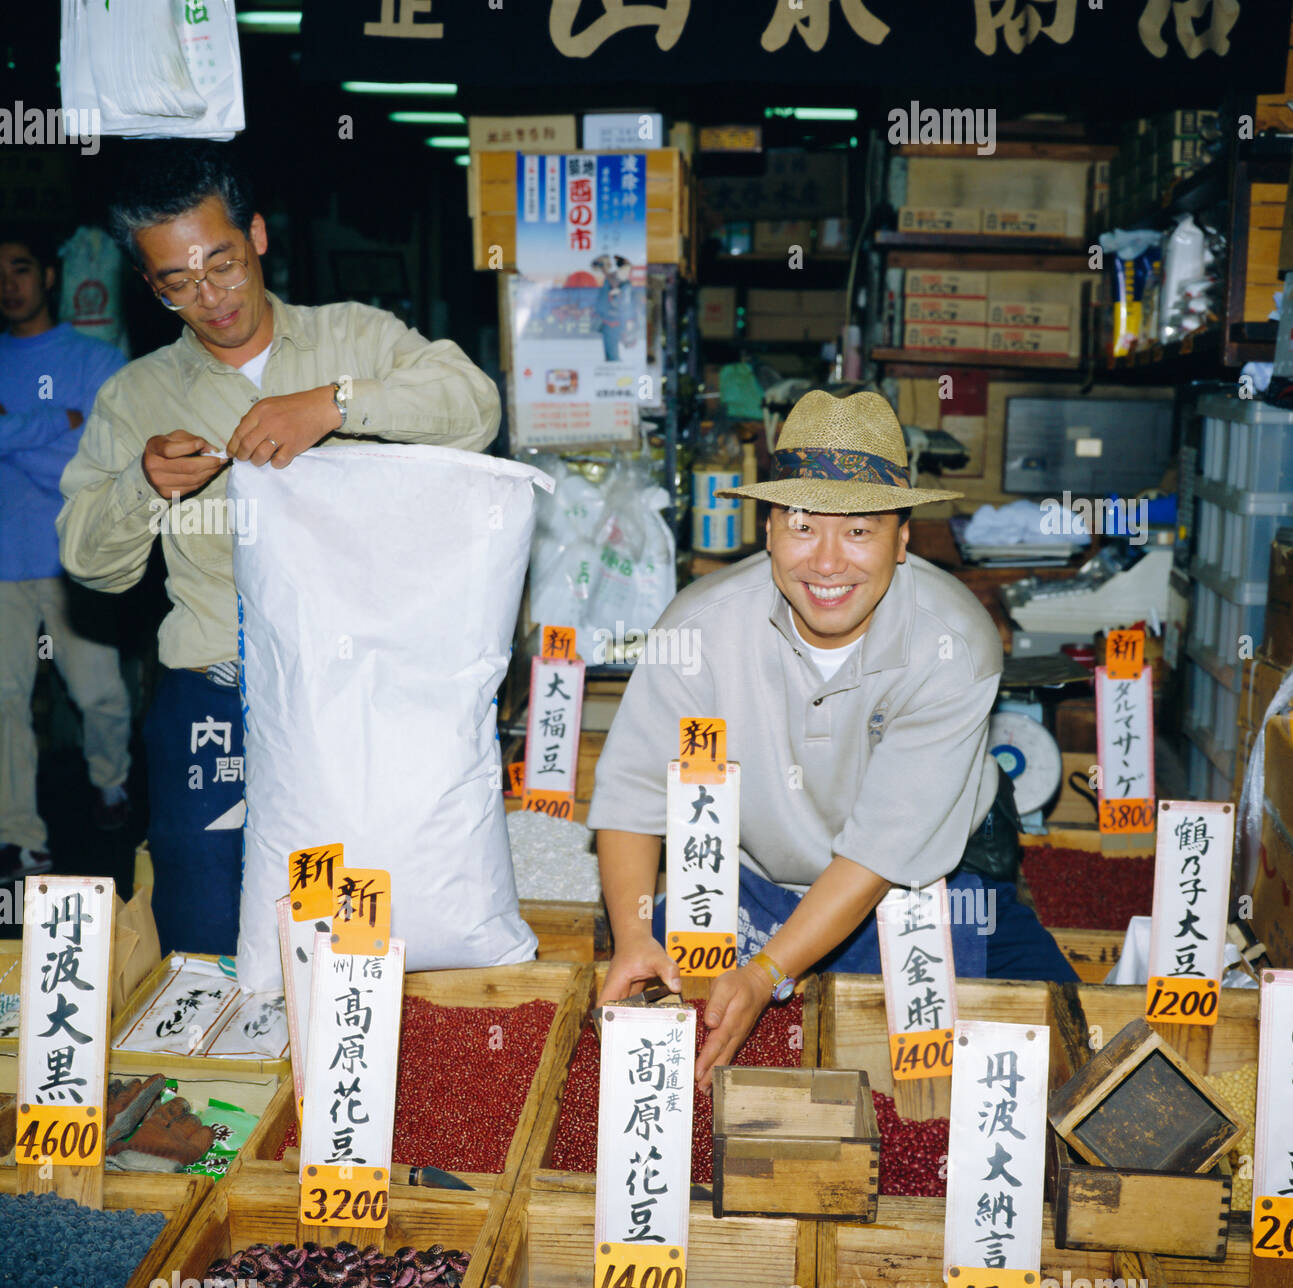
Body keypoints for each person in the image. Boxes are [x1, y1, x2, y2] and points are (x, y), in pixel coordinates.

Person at [57, 143, 501, 956]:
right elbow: (91, 562)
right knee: (207, 931)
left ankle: (342, 1074)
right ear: (149, 285)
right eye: (177, 284)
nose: (210, 297)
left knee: (350, 922)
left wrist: (335, 404)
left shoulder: (354, 337)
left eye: (221, 264)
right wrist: (142, 483)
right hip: (216, 693)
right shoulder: (136, 394)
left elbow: (474, 405)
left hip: (365, 690)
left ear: (257, 235)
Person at [588, 389, 1076, 1093]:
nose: (825, 563)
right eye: (801, 525)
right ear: (766, 529)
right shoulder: (698, 627)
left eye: (858, 532)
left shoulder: (953, 644)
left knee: (1062, 1051)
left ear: (902, 537)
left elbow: (879, 850)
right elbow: (634, 790)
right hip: (745, 887)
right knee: (656, 1057)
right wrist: (634, 934)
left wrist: (764, 976)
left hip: (915, 889)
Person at [0, 229, 131, 884]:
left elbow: (97, 468)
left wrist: (10, 433)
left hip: (80, 558)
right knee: (4, 704)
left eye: (21, 268)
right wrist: (59, 423)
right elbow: (69, 448)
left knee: (99, 695)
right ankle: (21, 836)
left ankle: (112, 781)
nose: (9, 283)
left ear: (49, 276)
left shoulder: (96, 359)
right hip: (3, 564)